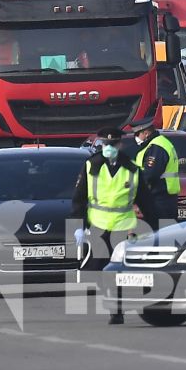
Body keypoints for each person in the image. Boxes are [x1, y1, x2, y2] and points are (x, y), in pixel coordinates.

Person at [73, 130, 142, 324]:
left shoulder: (132, 168)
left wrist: (153, 225)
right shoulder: (91, 166)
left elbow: (145, 199)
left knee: (118, 269)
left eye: (113, 145)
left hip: (123, 225)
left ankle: (116, 309)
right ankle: (113, 302)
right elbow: (78, 198)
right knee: (100, 269)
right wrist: (78, 225)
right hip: (98, 226)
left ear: (120, 145)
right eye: (106, 145)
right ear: (101, 145)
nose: (109, 148)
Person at [133, 118, 181, 229]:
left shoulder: (156, 147)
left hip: (160, 199)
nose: (135, 137)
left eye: (137, 134)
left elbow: (150, 174)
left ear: (145, 133)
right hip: (163, 198)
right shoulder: (158, 144)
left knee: (161, 234)